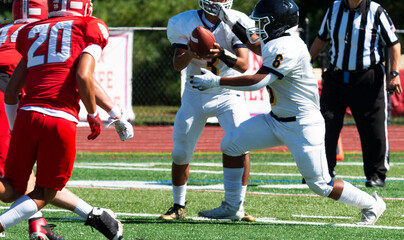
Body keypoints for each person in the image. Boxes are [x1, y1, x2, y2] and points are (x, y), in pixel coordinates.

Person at [190, 0, 386, 225]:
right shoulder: (276, 41)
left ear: (277, 24)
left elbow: (258, 80)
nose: (257, 26)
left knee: (321, 184)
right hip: (276, 120)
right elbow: (255, 46)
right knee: (231, 144)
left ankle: (372, 204)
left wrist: (216, 81)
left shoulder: (288, 46)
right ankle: (233, 207)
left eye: (262, 21)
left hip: (302, 125)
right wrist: (230, 21)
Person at [0, 0, 130, 239]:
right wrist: (93, 114)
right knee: (44, 192)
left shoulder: (32, 32)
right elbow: (83, 76)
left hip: (26, 114)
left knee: (11, 188)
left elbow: (11, 92)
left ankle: (55, 222)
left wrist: (15, 127)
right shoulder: (88, 26)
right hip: (59, 118)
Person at [160, 0, 256, 221]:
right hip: (196, 91)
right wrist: (191, 54)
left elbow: (243, 65)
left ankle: (237, 206)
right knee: (181, 150)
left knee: (241, 144)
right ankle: (178, 206)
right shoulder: (183, 22)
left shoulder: (237, 21)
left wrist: (221, 52)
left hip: (226, 90)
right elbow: (177, 64)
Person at [309, 0, 401, 188]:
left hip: (367, 78)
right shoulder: (333, 8)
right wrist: (306, 60)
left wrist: (394, 73)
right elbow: (321, 38)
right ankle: (323, 170)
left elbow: (393, 43)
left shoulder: (376, 11)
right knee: (324, 123)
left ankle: (376, 174)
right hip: (336, 77)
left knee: (373, 129)